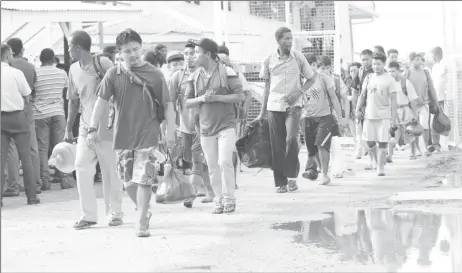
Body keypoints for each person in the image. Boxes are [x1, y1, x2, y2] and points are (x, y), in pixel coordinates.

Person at [88, 28, 176, 237]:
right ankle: (143, 210)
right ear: (119, 52)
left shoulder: (155, 74)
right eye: (127, 51)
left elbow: (168, 104)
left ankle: (141, 220)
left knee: (144, 178)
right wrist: (92, 129)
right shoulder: (113, 74)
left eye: (136, 49)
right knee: (128, 182)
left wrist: (170, 132)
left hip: (149, 133)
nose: (133, 54)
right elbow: (100, 103)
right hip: (123, 136)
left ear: (142, 47)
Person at [65, 30, 124, 230]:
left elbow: (121, 91)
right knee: (81, 167)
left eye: (70, 46)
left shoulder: (104, 64)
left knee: (110, 172)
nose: (68, 49)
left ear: (79, 47)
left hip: (106, 127)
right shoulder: (73, 69)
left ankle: (115, 212)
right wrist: (68, 128)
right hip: (84, 127)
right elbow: (73, 102)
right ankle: (88, 215)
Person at [184, 38, 245, 214]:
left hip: (226, 124)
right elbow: (187, 102)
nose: (194, 56)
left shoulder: (227, 72)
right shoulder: (194, 76)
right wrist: (202, 98)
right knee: (212, 165)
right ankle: (218, 199)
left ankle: (229, 199)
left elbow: (240, 96)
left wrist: (217, 98)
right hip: (205, 127)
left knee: (224, 161)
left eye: (197, 52)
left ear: (208, 54)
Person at [255, 27, 316, 193]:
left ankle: (291, 177)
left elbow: (311, 78)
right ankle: (280, 182)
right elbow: (267, 86)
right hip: (274, 106)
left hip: (294, 106)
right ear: (278, 40)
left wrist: (299, 91)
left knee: (291, 139)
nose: (290, 41)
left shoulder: (298, 57)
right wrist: (261, 112)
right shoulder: (268, 60)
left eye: (291, 38)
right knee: (277, 145)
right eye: (286, 38)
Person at [168, 42, 214, 205]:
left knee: (199, 159)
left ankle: (194, 193)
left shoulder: (207, 75)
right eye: (186, 54)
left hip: (204, 126)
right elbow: (171, 104)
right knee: (190, 160)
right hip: (185, 126)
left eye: (193, 53)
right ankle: (208, 191)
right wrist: (170, 127)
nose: (189, 57)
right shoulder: (177, 78)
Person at [1, 44, 40, 205]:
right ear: (7, 55)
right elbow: (27, 96)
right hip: (18, 117)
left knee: (1, 159)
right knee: (26, 159)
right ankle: (31, 197)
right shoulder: (16, 73)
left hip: (1, 119)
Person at [33, 48, 74, 191]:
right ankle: (65, 179)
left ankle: (45, 181)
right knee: (61, 147)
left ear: (40, 59)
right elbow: (66, 93)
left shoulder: (35, 73)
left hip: (40, 114)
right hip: (58, 113)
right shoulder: (61, 73)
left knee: (42, 148)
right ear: (53, 59)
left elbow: (32, 92)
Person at [301, 55, 345, 185]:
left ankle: (325, 174)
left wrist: (341, 117)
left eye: (311, 65)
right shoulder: (300, 80)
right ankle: (321, 168)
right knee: (312, 149)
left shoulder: (323, 77)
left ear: (314, 65)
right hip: (307, 118)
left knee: (321, 144)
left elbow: (334, 98)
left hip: (324, 117)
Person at [355, 52, 398, 176]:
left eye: (378, 64)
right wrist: (357, 109)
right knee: (369, 142)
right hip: (369, 114)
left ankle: (380, 167)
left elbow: (394, 101)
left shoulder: (389, 79)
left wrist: (393, 120)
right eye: (374, 64)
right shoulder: (369, 77)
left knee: (383, 141)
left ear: (384, 64)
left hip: (384, 115)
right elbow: (362, 95)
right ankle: (374, 160)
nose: (376, 66)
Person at [402, 52, 438, 156]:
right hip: (411, 106)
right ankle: (416, 149)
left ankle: (425, 147)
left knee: (425, 126)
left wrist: (435, 102)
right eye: (416, 59)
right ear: (411, 61)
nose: (418, 61)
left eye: (420, 59)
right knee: (414, 128)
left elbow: (431, 88)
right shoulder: (407, 73)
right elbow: (402, 89)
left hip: (424, 104)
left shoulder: (426, 72)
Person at [387, 61, 419, 161]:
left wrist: (414, 115)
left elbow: (413, 100)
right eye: (389, 71)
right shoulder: (388, 83)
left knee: (409, 134)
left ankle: (413, 153)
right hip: (393, 113)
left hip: (406, 111)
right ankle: (390, 155)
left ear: (398, 71)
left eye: (393, 71)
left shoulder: (405, 83)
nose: (391, 73)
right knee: (393, 134)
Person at [355, 49, 375, 159]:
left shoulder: (378, 71)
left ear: (372, 58)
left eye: (367, 59)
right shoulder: (361, 71)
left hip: (377, 108)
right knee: (365, 134)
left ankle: (378, 159)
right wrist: (356, 109)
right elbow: (357, 92)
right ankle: (371, 159)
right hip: (364, 108)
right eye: (363, 60)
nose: (365, 62)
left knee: (375, 135)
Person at [430, 46, 447, 152]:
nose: (432, 58)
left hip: (445, 98)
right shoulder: (435, 67)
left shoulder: (445, 63)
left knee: (444, 121)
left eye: (432, 55)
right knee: (436, 121)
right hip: (437, 98)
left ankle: (444, 144)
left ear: (437, 54)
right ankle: (436, 144)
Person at [345, 62, 362, 148]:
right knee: (353, 131)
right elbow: (343, 94)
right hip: (350, 109)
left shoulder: (363, 80)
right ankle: (358, 147)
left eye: (355, 71)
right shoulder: (348, 81)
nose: (352, 73)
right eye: (351, 71)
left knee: (361, 130)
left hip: (360, 109)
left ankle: (363, 147)